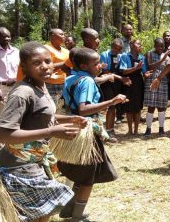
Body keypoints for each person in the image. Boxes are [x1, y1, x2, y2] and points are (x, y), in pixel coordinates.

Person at [0, 42, 84, 222]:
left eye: (48, 61)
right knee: (37, 214)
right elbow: (3, 135)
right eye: (37, 63)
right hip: (18, 167)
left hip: (33, 161)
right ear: (24, 67)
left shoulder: (40, 86)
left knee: (43, 213)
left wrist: (69, 119)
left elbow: (40, 117)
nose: (45, 66)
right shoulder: (22, 93)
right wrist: (51, 131)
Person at [58, 47, 125, 222]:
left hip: (75, 130)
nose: (100, 66)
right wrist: (111, 101)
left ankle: (68, 209)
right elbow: (83, 108)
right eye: (95, 64)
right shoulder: (87, 81)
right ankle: (77, 217)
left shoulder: (72, 77)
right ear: (83, 65)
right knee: (88, 177)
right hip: (86, 133)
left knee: (81, 173)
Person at [143, 38, 170, 136]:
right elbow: (150, 67)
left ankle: (161, 129)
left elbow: (168, 69)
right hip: (151, 81)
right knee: (151, 106)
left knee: (161, 107)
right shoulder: (149, 54)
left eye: (162, 46)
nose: (160, 48)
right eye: (158, 46)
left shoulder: (167, 57)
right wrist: (162, 59)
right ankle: (148, 129)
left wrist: (165, 59)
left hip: (162, 82)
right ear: (154, 46)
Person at [120, 40, 147, 135]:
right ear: (131, 45)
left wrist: (146, 74)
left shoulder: (142, 57)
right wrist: (135, 68)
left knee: (138, 107)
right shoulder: (125, 56)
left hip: (139, 83)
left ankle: (136, 130)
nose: (140, 45)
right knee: (129, 107)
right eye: (138, 44)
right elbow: (123, 71)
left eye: (140, 44)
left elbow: (144, 72)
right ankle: (130, 130)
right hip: (128, 82)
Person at [99, 38, 124, 138]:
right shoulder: (104, 55)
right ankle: (108, 130)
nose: (116, 51)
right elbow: (105, 71)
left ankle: (111, 129)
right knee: (110, 106)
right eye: (114, 48)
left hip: (117, 84)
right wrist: (120, 78)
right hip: (107, 83)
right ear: (111, 46)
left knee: (115, 106)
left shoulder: (121, 56)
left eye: (118, 49)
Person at [44, 28, 72, 105]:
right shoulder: (46, 49)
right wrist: (65, 63)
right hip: (50, 83)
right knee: (51, 107)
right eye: (61, 34)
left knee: (61, 107)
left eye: (64, 34)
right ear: (52, 36)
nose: (64, 36)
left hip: (64, 83)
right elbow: (46, 67)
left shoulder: (66, 51)